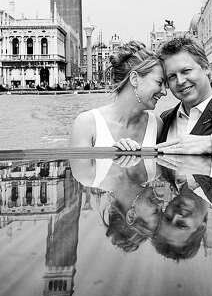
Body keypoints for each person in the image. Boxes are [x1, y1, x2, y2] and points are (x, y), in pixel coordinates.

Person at [70, 41, 169, 249]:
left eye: (156, 211)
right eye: (160, 82)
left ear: (131, 215)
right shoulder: (86, 124)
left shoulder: (157, 125)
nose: (165, 91)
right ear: (134, 79)